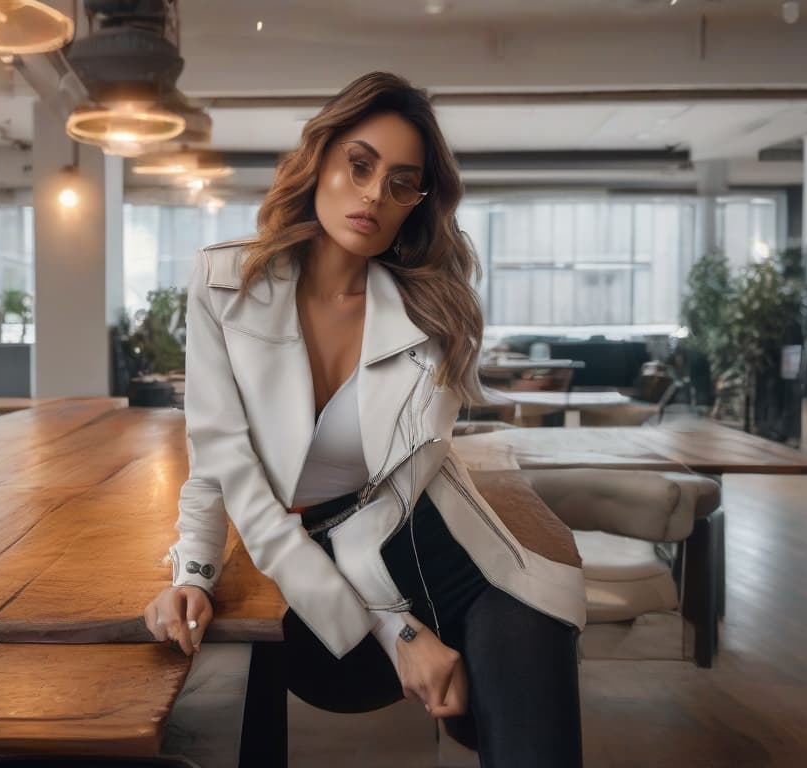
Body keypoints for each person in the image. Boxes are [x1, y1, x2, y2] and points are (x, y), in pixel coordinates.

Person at [143, 71, 586, 767]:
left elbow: (397, 496)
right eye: (360, 164)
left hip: (444, 546)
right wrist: (194, 570)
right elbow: (222, 463)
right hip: (322, 565)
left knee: (533, 733)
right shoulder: (225, 285)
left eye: (403, 182)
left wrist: (402, 626)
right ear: (320, 159)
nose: (375, 193)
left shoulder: (433, 315)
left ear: (418, 202)